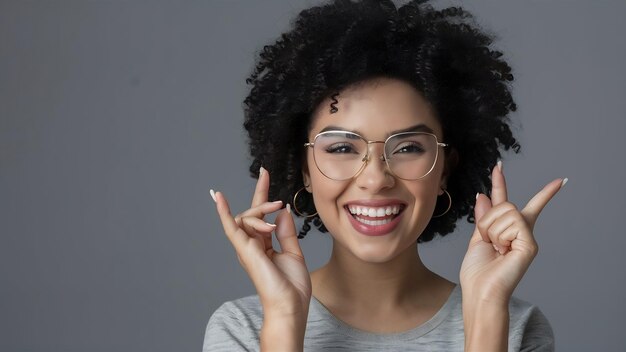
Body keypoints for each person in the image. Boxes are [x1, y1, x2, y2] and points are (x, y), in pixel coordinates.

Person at [204, 0, 565, 350]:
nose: (376, 179)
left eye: (407, 147)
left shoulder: (516, 328)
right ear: (305, 169)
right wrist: (283, 318)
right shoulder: (244, 329)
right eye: (342, 148)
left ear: (444, 170)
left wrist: (486, 311)